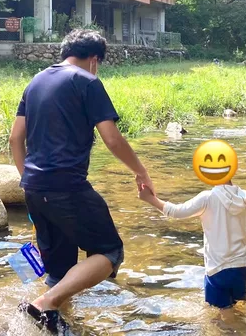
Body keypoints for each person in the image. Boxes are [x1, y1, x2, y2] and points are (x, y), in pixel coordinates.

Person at [9, 29, 154, 334]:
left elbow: (15, 139)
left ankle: (55, 323)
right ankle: (45, 304)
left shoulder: (35, 82)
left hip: (35, 187)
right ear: (93, 59)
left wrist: (29, 182)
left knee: (59, 269)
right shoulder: (86, 80)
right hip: (68, 187)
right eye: (98, 63)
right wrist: (140, 171)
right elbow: (112, 139)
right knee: (110, 252)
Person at [138, 177, 246, 309]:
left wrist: (150, 198)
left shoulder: (207, 198)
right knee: (239, 305)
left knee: (220, 321)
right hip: (242, 270)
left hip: (217, 272)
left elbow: (176, 212)